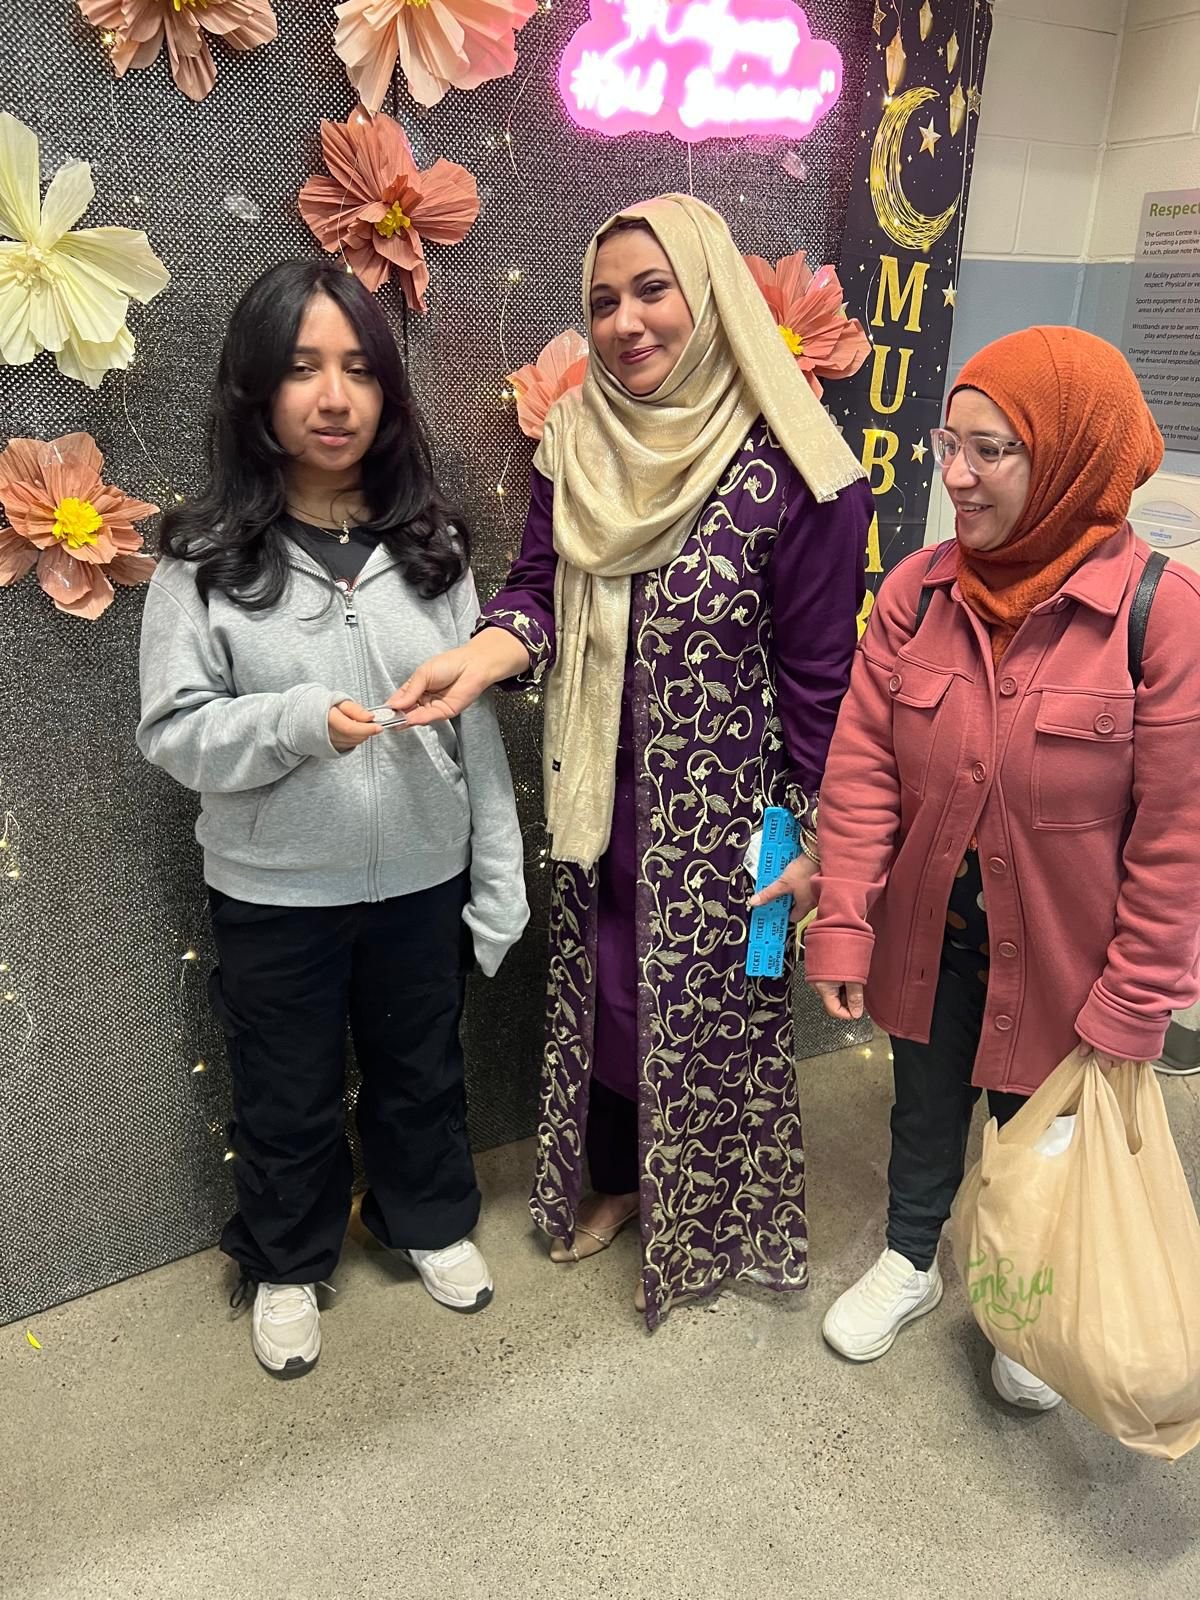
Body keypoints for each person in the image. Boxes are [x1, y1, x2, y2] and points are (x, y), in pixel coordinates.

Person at [391, 195, 872, 1326]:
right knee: (609, 1003)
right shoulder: (578, 441)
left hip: (741, 819)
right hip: (599, 796)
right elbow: (536, 590)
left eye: (653, 290)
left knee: (722, 1014)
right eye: (603, 300)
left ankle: (706, 1205)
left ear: (710, 297)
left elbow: (819, 681)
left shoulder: (801, 469)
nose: (625, 323)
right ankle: (615, 1176)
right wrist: (481, 657)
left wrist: (819, 843)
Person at [137, 260, 528, 1377]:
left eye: (359, 368)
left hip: (421, 881)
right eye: (303, 367)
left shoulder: (433, 549)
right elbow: (173, 732)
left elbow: (475, 732)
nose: (334, 396)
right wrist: (297, 722)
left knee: (423, 1072)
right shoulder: (202, 564)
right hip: (275, 894)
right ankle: (285, 1258)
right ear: (256, 387)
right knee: (285, 1092)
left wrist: (496, 879)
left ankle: (425, 1219)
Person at [804, 325, 1200, 1408]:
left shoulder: (1160, 615)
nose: (957, 476)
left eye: (992, 451)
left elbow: (1177, 838)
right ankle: (911, 1257)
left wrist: (1135, 1001)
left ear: (1071, 456)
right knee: (924, 1109)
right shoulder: (919, 593)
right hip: (934, 939)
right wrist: (844, 922)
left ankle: (1025, 1305)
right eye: (951, 444)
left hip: (1072, 964)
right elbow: (863, 771)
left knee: (1043, 1138)